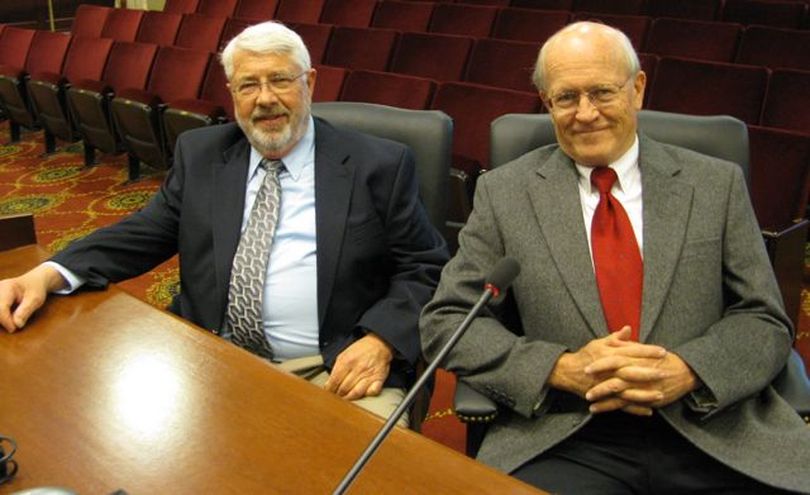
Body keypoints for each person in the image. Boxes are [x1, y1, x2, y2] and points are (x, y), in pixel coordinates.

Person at [420, 21, 810, 494]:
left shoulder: (714, 184)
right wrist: (561, 369)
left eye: (603, 92)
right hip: (568, 435)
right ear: (547, 103)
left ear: (638, 89)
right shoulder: (507, 193)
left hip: (712, 426)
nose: (586, 114)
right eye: (566, 98)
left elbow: (765, 318)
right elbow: (449, 320)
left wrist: (687, 370)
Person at [0, 21, 449, 426]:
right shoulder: (202, 154)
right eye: (248, 85)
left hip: (334, 365)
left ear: (310, 83)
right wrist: (46, 274)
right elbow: (140, 234)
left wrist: (381, 340)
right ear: (231, 93)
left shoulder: (378, 164)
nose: (265, 98)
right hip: (209, 357)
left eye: (280, 80)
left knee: (366, 476)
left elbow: (425, 267)